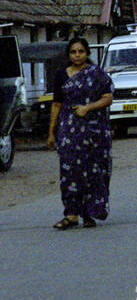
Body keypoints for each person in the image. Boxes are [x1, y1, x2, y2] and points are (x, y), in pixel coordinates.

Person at [47, 35, 114, 229]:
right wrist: (51, 133)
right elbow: (57, 104)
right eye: (73, 52)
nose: (77, 55)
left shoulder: (96, 74)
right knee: (69, 171)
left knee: (92, 171)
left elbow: (108, 98)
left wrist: (88, 108)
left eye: (81, 51)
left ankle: (90, 213)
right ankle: (71, 214)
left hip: (94, 131)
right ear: (69, 54)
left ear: (87, 53)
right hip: (69, 130)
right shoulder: (61, 74)